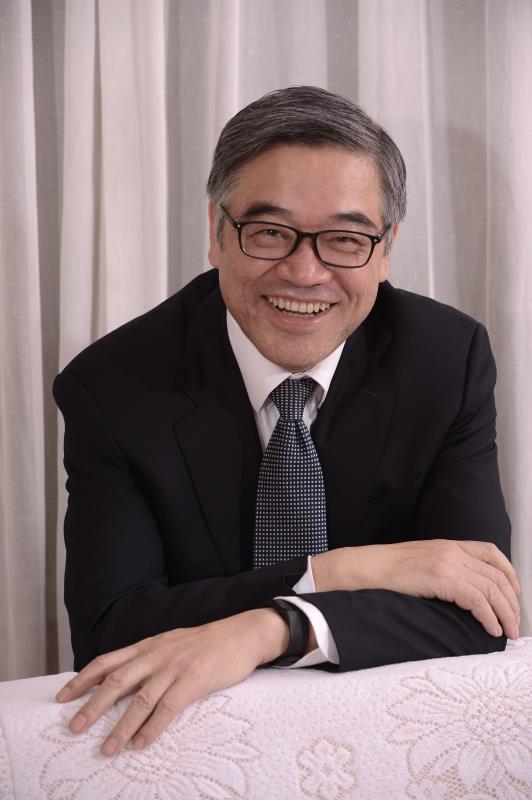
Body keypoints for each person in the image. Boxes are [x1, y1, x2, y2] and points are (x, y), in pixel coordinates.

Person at [53, 86, 520, 757]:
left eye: (345, 239)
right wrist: (339, 572)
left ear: (385, 249)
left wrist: (273, 627)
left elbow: (483, 610)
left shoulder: (446, 359)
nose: (305, 272)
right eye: (270, 233)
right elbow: (111, 631)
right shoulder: (113, 387)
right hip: (196, 741)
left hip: (386, 736)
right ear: (217, 232)